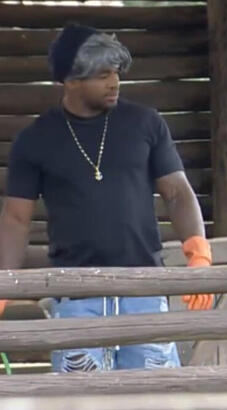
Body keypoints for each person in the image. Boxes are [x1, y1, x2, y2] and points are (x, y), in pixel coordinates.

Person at [0, 23, 214, 371]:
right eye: (102, 75)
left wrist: (198, 252)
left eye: (116, 73)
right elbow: (15, 218)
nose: (114, 82)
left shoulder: (146, 123)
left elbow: (177, 193)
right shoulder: (35, 139)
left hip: (144, 291)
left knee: (155, 398)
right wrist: (3, 284)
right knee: (79, 401)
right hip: (75, 297)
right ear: (70, 79)